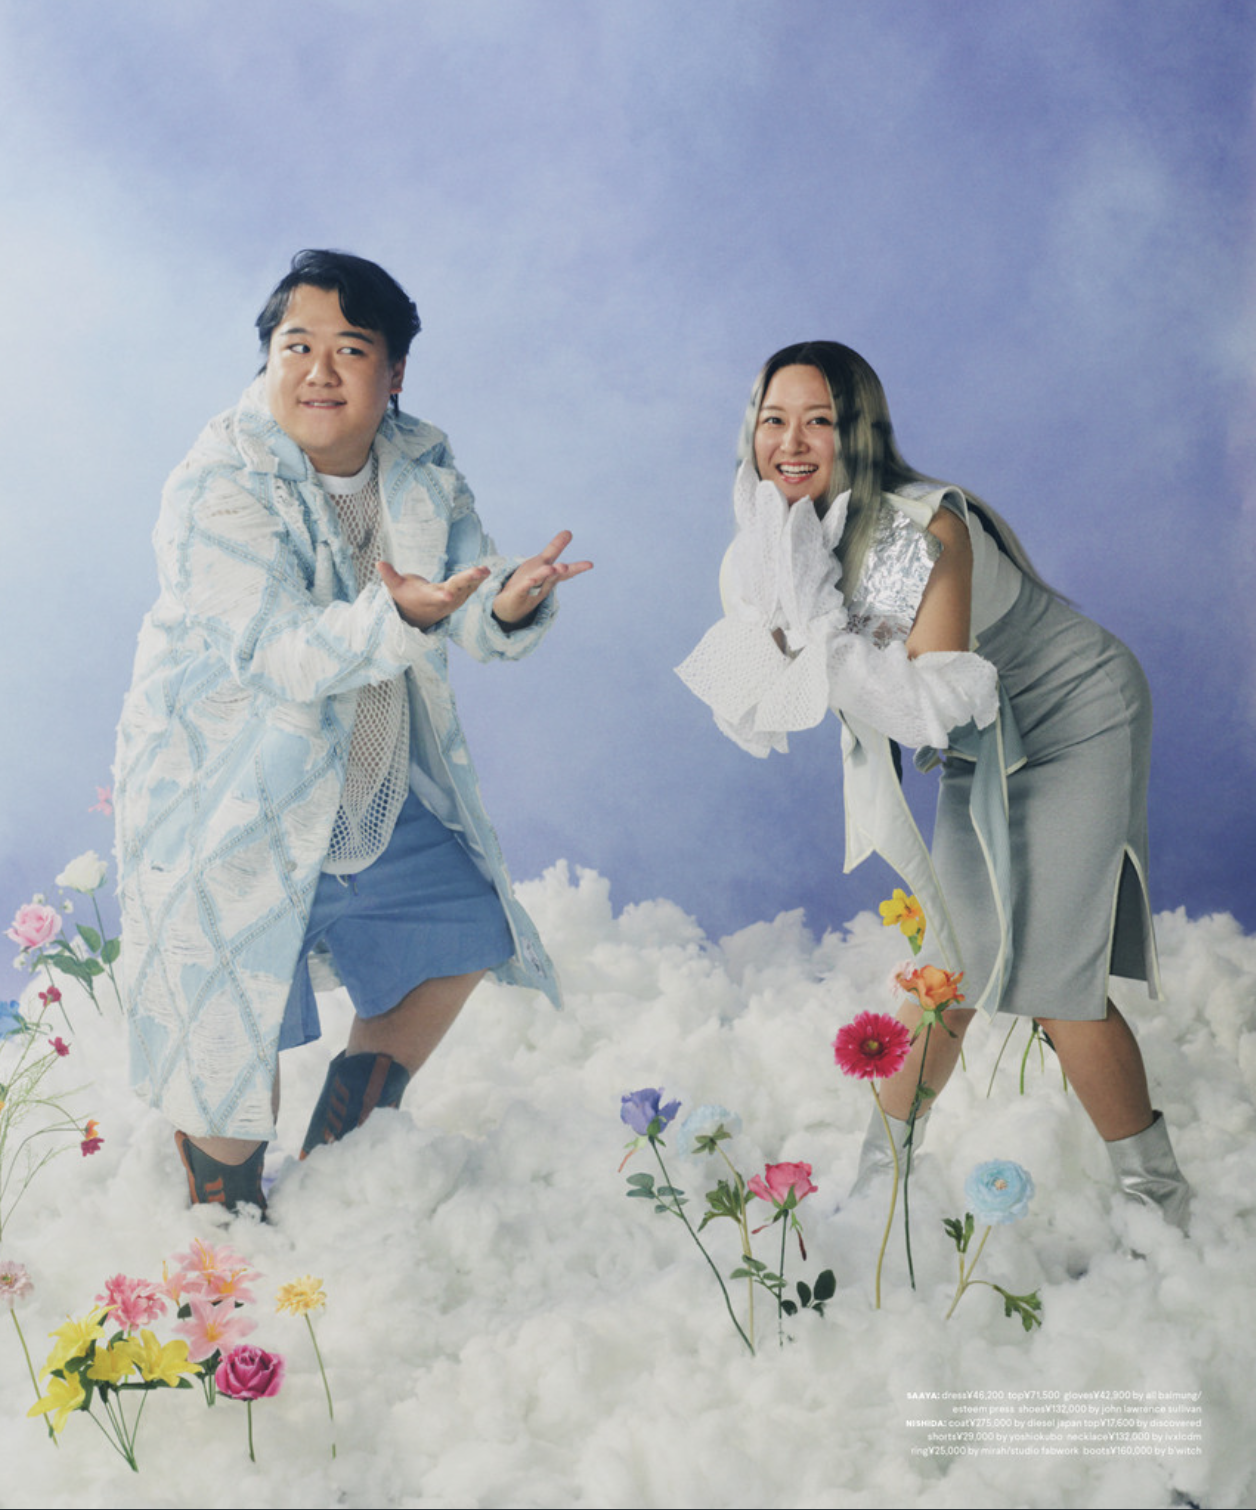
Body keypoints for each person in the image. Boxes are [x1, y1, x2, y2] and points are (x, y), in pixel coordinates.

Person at [115, 250, 591, 1212]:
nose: (319, 371)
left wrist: (506, 603)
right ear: (268, 359)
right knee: (228, 1045)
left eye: (350, 349)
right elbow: (281, 652)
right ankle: (226, 1221)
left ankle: (340, 1154)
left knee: (468, 927)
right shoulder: (215, 483)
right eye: (297, 346)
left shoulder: (421, 466)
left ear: (394, 372)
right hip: (229, 801)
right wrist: (401, 616)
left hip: (365, 783)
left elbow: (461, 592)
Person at [677, 341, 1189, 1231]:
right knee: (949, 969)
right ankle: (880, 1188)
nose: (790, 443)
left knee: (1053, 982)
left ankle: (1161, 1208)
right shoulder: (771, 541)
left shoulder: (922, 527)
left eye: (819, 421)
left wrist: (820, 645)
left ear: (861, 431)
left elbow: (939, 702)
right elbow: (754, 691)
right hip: (984, 740)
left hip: (1071, 715)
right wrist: (796, 635)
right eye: (773, 419)